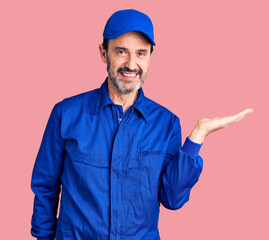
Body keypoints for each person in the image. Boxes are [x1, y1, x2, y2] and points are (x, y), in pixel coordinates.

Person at [30, 9, 253, 240]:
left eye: (141, 53)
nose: (131, 64)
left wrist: (197, 137)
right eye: (121, 51)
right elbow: (45, 185)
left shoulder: (166, 124)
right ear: (103, 54)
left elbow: (172, 199)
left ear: (150, 58)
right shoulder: (66, 113)